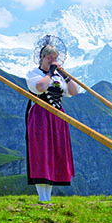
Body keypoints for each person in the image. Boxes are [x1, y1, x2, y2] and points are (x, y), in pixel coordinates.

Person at [25, 39, 78, 202]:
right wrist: (49, 73)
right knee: (41, 153)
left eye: (55, 57)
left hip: (58, 117)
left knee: (56, 153)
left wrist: (64, 75)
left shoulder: (58, 76)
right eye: (49, 57)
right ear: (42, 57)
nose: (52, 60)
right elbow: (40, 87)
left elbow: (74, 91)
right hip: (41, 115)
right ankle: (43, 197)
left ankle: (49, 196)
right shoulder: (34, 73)